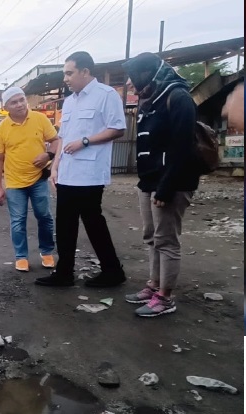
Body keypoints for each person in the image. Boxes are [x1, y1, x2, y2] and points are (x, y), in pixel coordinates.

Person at [36, 51, 126, 288]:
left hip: (89, 174)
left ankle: (112, 270)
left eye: (69, 73)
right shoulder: (70, 101)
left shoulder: (105, 95)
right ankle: (64, 272)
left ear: (85, 72)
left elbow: (118, 129)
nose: (66, 78)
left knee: (93, 223)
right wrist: (54, 167)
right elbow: (64, 138)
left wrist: (86, 141)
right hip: (67, 173)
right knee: (65, 225)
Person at [121, 53, 202, 317]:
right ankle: (154, 286)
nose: (132, 85)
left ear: (148, 74)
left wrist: (166, 186)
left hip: (171, 183)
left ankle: (165, 297)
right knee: (151, 236)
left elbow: (182, 147)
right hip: (149, 181)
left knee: (166, 240)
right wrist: (147, 183)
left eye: (134, 78)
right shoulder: (150, 99)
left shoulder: (177, 97)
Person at [0, 87, 59, 272]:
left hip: (38, 179)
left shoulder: (40, 119)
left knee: (44, 216)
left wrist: (48, 155)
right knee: (18, 220)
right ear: (6, 107)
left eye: (21, 99)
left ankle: (47, 252)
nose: (20, 104)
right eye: (14, 102)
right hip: (14, 183)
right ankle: (21, 257)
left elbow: (55, 140)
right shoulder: (1, 130)